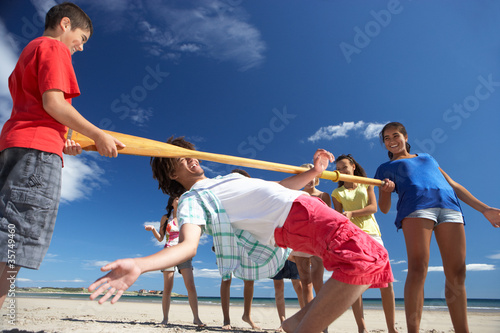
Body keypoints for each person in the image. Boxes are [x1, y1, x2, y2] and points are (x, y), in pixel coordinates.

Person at [89, 137, 394, 333]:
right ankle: (304, 328)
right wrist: (141, 264)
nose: (190, 157)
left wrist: (314, 173)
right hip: (292, 218)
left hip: (297, 206)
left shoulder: (227, 178)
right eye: (180, 157)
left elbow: (279, 188)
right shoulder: (193, 200)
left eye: (189, 152)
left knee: (376, 260)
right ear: (172, 174)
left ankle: (296, 323)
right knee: (365, 259)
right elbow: (188, 245)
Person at [0, 2, 124, 309]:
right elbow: (54, 104)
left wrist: (63, 139)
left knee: (6, 233)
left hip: (15, 145)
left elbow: (38, 109)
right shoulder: (54, 48)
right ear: (65, 24)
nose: (81, 48)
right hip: (36, 151)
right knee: (13, 244)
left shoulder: (27, 53)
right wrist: (98, 134)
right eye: (82, 39)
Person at [375, 122, 500, 333]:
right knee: (417, 269)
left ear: (405, 136)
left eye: (395, 135)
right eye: (386, 138)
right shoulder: (384, 168)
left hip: (450, 208)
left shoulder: (427, 158)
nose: (391, 141)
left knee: (458, 273)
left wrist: (485, 209)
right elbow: (384, 208)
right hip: (416, 210)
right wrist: (386, 191)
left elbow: (453, 184)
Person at [332, 154, 398, 333]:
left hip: (373, 234)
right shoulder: (337, 193)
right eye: (337, 169)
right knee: (355, 284)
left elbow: (373, 208)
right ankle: (362, 328)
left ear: (353, 166)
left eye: (344, 167)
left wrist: (352, 213)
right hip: (351, 238)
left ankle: (392, 328)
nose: (341, 171)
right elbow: (338, 218)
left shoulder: (367, 182)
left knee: (386, 282)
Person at [144, 196, 205, 328]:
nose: (180, 200)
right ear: (172, 202)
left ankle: (196, 318)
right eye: (177, 198)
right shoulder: (165, 218)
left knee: (190, 285)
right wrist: (153, 229)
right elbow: (161, 238)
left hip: (184, 252)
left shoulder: (187, 217)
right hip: (169, 253)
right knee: (167, 288)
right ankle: (165, 319)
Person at [217, 168, 260, 330]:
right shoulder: (225, 196)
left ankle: (247, 315)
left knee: (250, 279)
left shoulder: (252, 197)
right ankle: (226, 319)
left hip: (247, 239)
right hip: (227, 240)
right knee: (226, 277)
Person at [291, 163, 328, 308]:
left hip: (318, 241)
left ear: (316, 176)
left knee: (318, 282)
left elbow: (327, 220)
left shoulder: (323, 195)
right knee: (305, 282)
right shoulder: (296, 195)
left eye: (312, 174)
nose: (309, 179)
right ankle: (308, 321)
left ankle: (322, 324)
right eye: (305, 175)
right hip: (300, 241)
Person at [271, 254, 304, 331]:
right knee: (278, 286)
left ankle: (304, 319)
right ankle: (282, 322)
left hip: (292, 250)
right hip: (276, 253)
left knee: (299, 287)